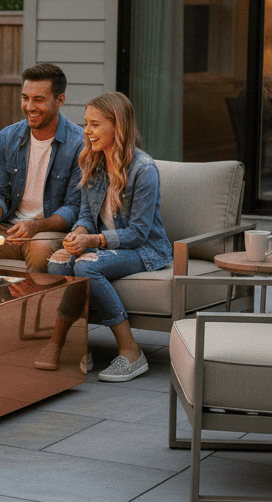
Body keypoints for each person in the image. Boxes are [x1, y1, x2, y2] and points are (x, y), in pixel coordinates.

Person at [35, 91, 172, 382]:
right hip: (104, 243)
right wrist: (76, 238)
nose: (87, 131)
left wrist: (92, 243)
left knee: (86, 266)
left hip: (145, 249)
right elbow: (86, 216)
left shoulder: (143, 170)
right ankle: (76, 345)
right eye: (86, 123)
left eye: (95, 124)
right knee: (58, 264)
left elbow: (138, 233)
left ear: (117, 126)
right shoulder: (92, 163)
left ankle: (131, 351)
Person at [0, 62, 85, 272]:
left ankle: (29, 303)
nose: (30, 107)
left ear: (60, 99)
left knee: (39, 246)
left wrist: (35, 226)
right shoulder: (8, 137)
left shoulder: (79, 143)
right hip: (10, 229)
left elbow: (74, 208)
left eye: (39, 100)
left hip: (48, 233)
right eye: (25, 98)